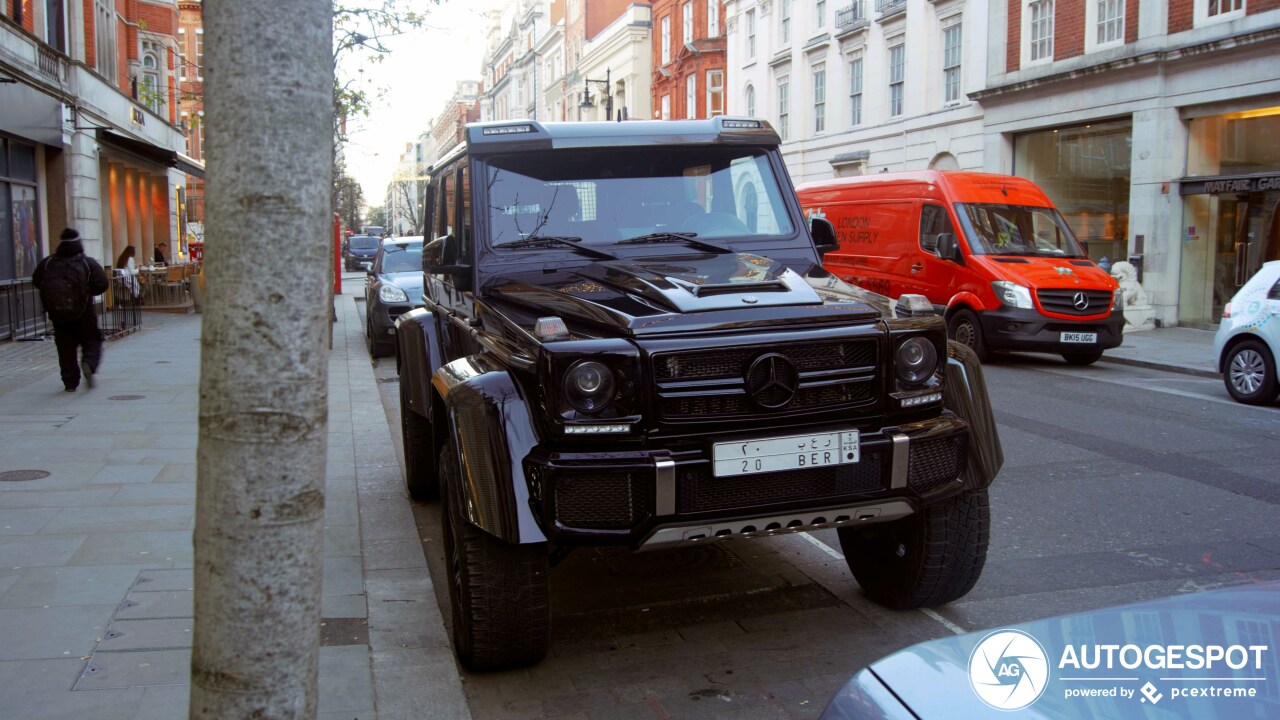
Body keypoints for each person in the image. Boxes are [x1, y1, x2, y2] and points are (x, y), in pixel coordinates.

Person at [32, 228, 109, 392]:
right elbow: (102, 284)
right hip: (84, 311)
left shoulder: (47, 263)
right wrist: (85, 292)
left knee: (65, 347)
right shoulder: (87, 263)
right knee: (92, 340)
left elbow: (37, 281)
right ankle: (89, 362)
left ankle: (70, 381)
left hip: (58, 313)